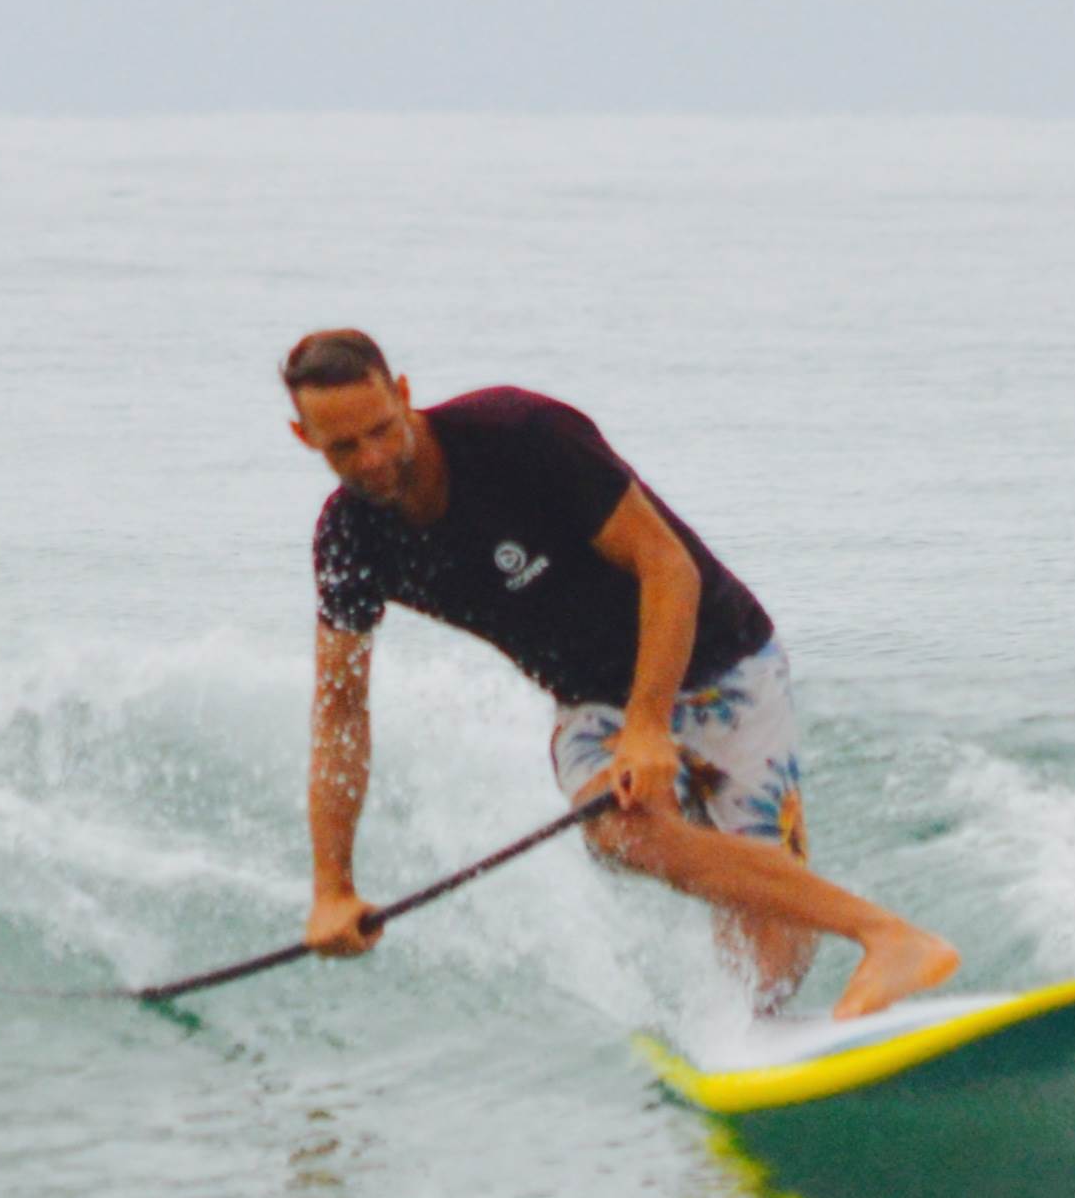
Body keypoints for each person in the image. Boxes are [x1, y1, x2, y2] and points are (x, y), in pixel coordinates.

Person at [283, 328, 959, 1020]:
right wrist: (332, 888)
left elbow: (668, 568)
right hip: (592, 699)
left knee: (770, 972)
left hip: (721, 660)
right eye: (343, 448)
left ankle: (884, 946)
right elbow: (340, 712)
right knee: (621, 830)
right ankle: (875, 946)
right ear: (304, 438)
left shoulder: (517, 434)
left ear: (402, 394)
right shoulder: (350, 541)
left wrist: (648, 726)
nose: (371, 459)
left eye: (380, 430)